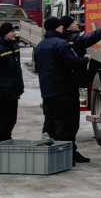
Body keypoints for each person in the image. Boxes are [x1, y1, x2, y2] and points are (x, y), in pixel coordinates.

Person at [57, 15, 101, 163]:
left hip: (61, 88)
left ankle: (66, 152)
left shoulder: (59, 41)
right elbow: (92, 38)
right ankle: (67, 154)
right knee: (69, 123)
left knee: (64, 123)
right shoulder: (70, 40)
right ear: (67, 26)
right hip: (67, 88)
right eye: (75, 23)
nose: (78, 24)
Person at [34, 17, 90, 165]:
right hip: (64, 90)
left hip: (47, 91)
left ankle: (50, 154)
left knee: (50, 122)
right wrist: (85, 59)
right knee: (66, 124)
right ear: (58, 28)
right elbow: (73, 62)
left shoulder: (39, 46)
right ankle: (64, 157)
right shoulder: (61, 44)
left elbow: (37, 68)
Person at [0, 23, 24, 143]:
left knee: (11, 119)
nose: (14, 33)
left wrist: (20, 86)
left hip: (13, 91)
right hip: (2, 92)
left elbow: (17, 69)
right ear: (5, 34)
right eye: (11, 31)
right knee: (1, 120)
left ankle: (7, 140)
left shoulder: (14, 46)